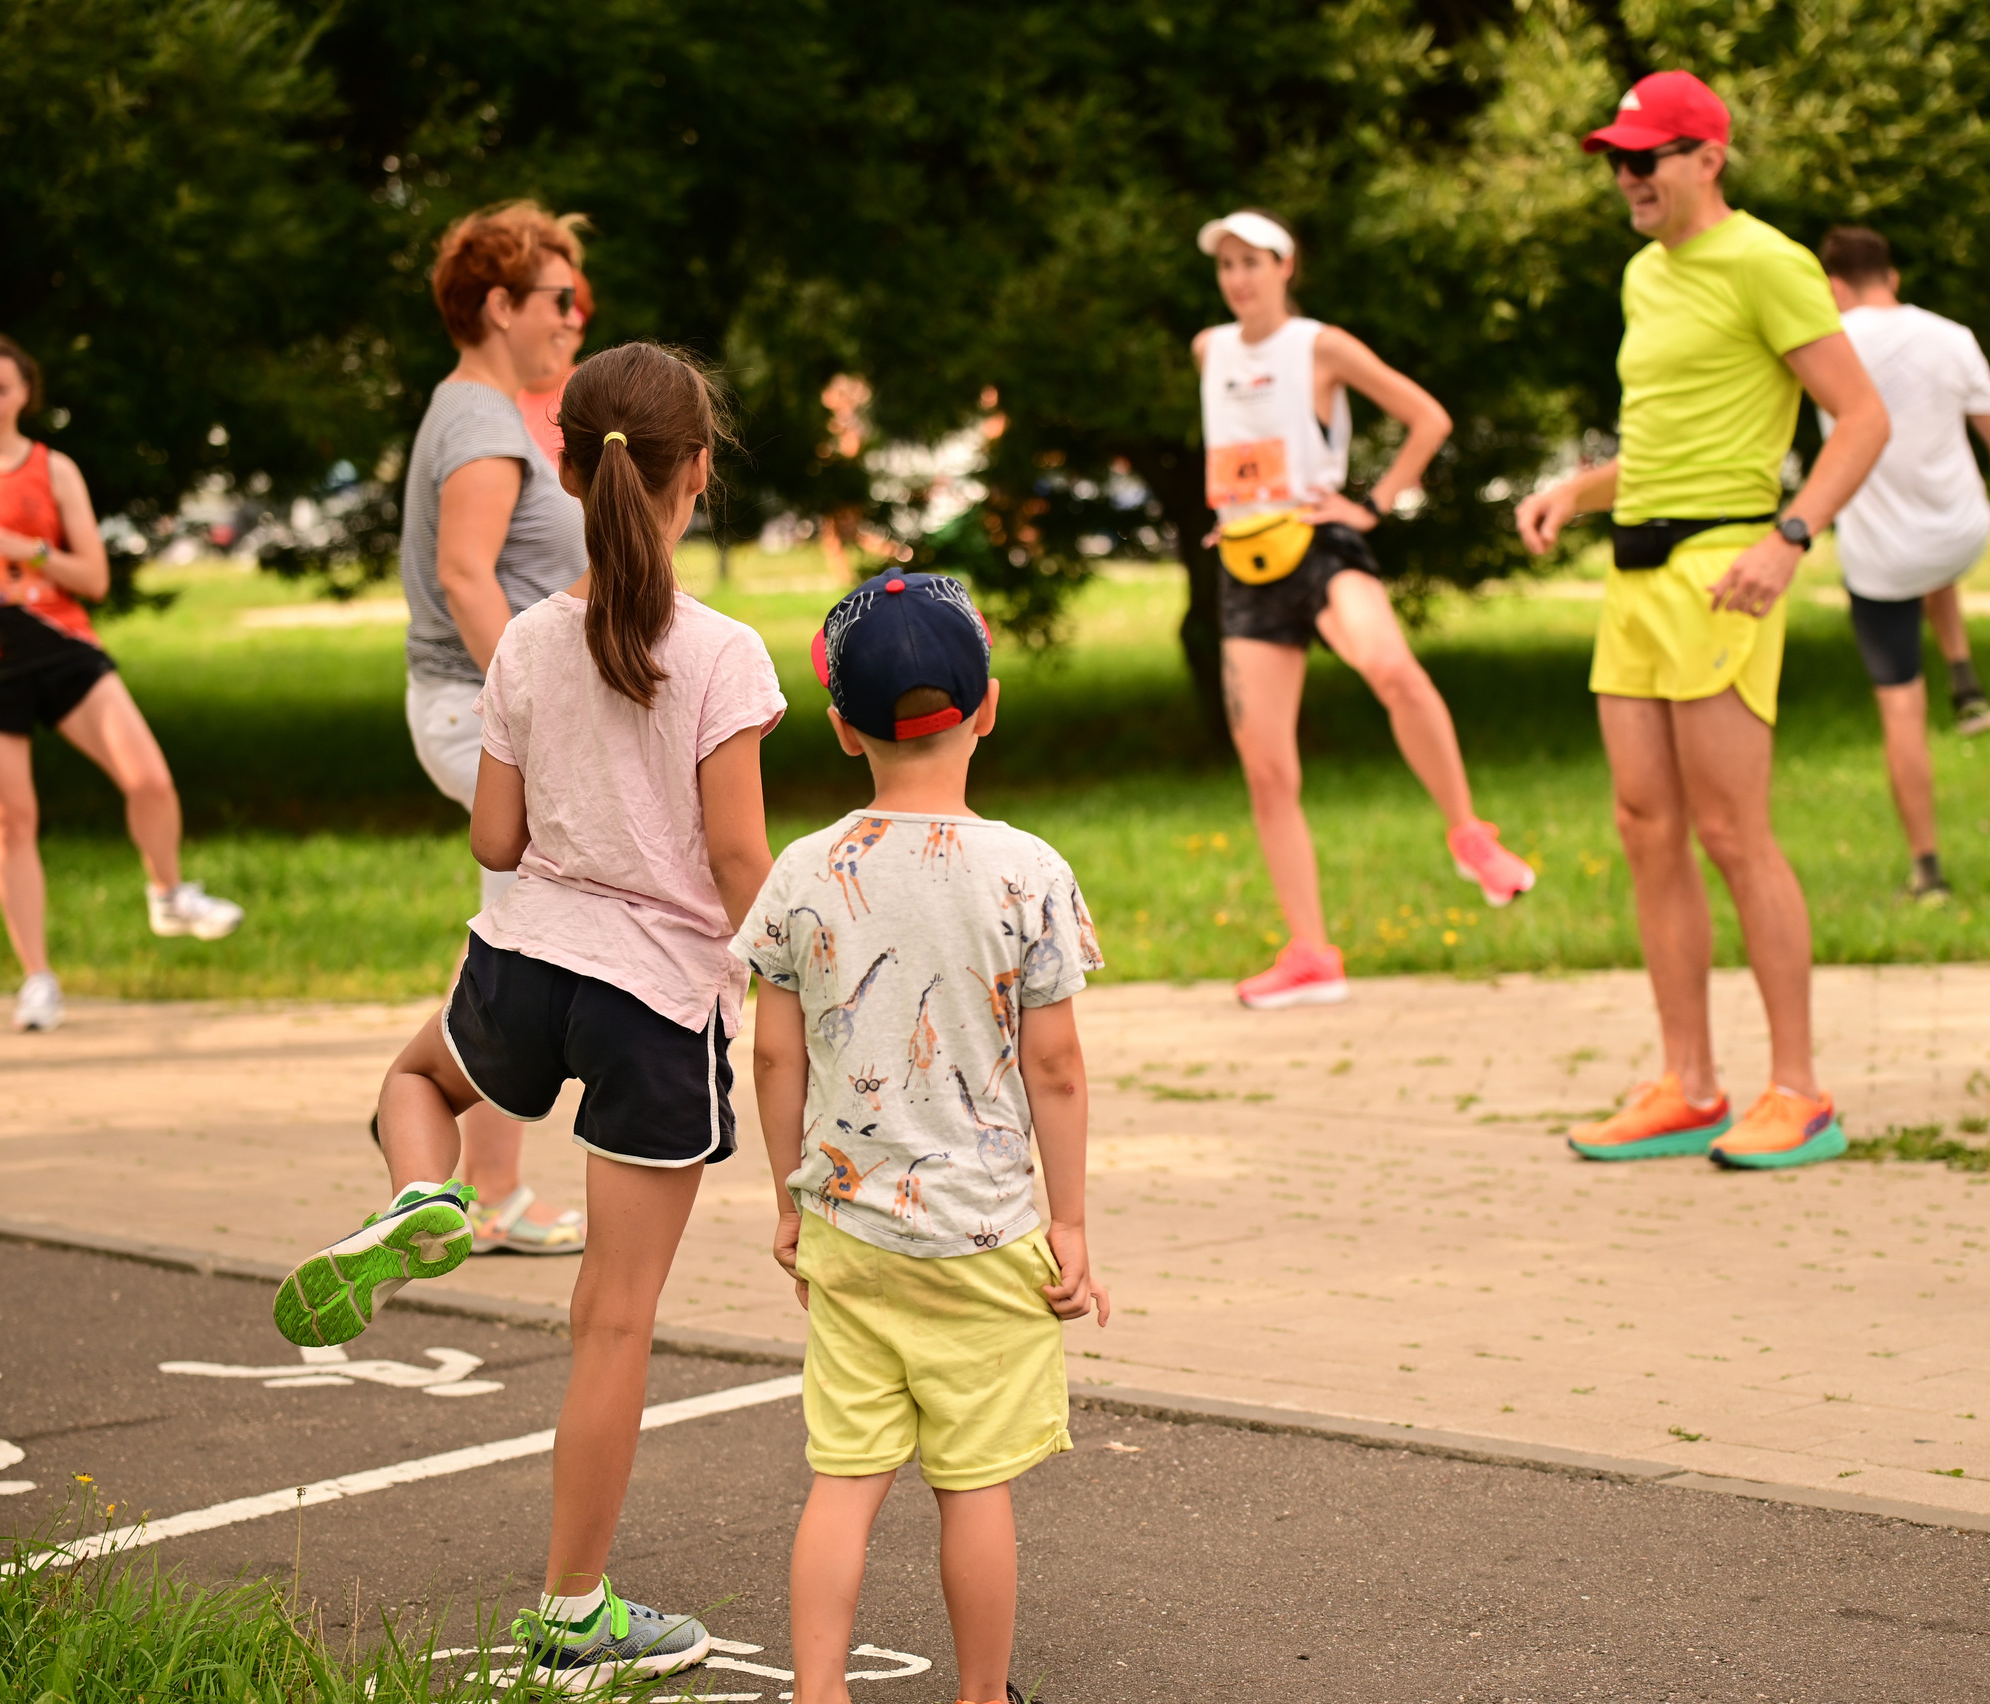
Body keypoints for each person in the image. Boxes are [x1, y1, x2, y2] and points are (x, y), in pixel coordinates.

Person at [274, 343, 781, 1687]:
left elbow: (497, 838)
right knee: (610, 1323)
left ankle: (422, 1195)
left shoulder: (532, 640)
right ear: (698, 478)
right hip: (658, 1007)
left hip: (523, 969)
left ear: (566, 473)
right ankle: (573, 1612)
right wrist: (801, 971)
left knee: (416, 1084)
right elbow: (739, 864)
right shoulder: (723, 654)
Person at [739, 570, 1109, 1704]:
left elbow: (771, 1055)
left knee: (843, 1480)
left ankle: (817, 1690)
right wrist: (1071, 1221)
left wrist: (791, 1199)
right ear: (987, 705)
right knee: (975, 1485)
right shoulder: (1027, 873)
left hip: (849, 1230)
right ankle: (981, 1695)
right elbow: (1054, 1067)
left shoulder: (801, 871)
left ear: (843, 727)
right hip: (986, 1236)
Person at [1515, 71, 1890, 1170]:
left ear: (1705, 159)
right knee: (1645, 827)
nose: (1626, 178)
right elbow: (1668, 445)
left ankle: (1800, 1092)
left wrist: (1790, 536)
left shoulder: (1769, 263)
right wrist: (1575, 492)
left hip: (1724, 574)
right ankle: (1688, 1084)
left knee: (1732, 832)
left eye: (1645, 159)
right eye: (1615, 161)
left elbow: (1861, 420)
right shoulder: (1644, 276)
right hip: (1633, 575)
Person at [1192, 208, 1537, 1012]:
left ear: (1287, 266)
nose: (1239, 277)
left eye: (1253, 261)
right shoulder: (1209, 350)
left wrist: (1372, 503)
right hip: (1245, 562)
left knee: (1393, 669)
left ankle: (1468, 834)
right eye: (1227, 264)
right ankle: (1311, 953)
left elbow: (1429, 418)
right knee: (1268, 772)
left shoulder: (1321, 345)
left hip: (1320, 547)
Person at [0, 334, 244, 1034]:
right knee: (9, 820)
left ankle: (169, 892)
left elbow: (93, 577)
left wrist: (30, 550)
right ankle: (37, 979)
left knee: (149, 778)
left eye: (2, 386)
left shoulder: (55, 472)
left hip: (61, 643)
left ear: (27, 392)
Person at [396, 202, 596, 1254]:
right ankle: (452, 1177)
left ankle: (475, 1191)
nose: (575, 319)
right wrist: (537, 716)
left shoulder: (488, 410)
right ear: (496, 305)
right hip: (475, 713)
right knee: (529, 941)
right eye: (560, 300)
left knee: (523, 932)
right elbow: (465, 576)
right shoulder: (479, 419)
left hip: (489, 712)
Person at [1818, 225, 1990, 903]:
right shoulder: (1953, 336)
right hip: (1961, 534)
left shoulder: (1824, 348)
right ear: (1893, 277)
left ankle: (1928, 870)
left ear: (1832, 287)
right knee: (1933, 546)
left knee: (1901, 709)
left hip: (1882, 559)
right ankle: (1966, 679)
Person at [515, 262, 595, 465]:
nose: (562, 325)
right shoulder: (494, 403)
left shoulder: (597, 397)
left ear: (580, 331)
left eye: (571, 313)